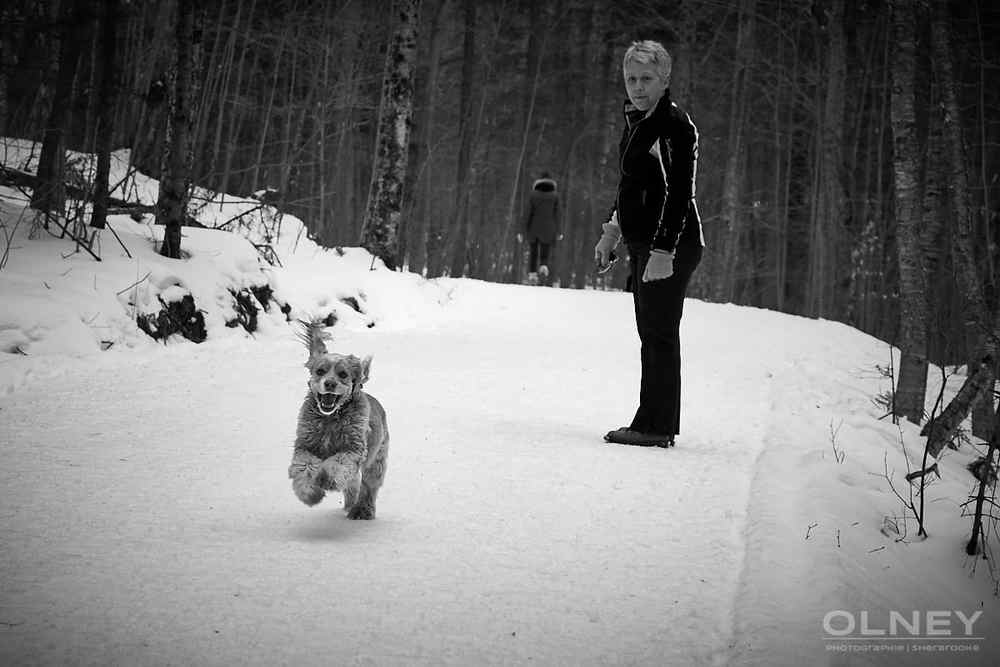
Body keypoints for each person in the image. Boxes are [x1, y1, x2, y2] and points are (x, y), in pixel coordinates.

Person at [594, 40, 704, 448]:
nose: (637, 86)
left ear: (665, 80)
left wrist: (663, 250)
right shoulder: (637, 120)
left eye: (646, 78)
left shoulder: (675, 126)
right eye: (631, 78)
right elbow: (631, 185)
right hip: (644, 243)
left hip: (672, 244)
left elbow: (678, 193)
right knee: (651, 333)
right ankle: (652, 422)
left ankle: (655, 427)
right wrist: (612, 231)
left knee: (659, 334)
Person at [518, 172, 561, 286]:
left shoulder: (533, 195)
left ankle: (532, 274)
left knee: (533, 251)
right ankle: (543, 266)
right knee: (545, 248)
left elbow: (527, 213)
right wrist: (559, 231)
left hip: (534, 227)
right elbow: (558, 214)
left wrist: (522, 230)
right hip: (549, 227)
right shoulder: (555, 196)